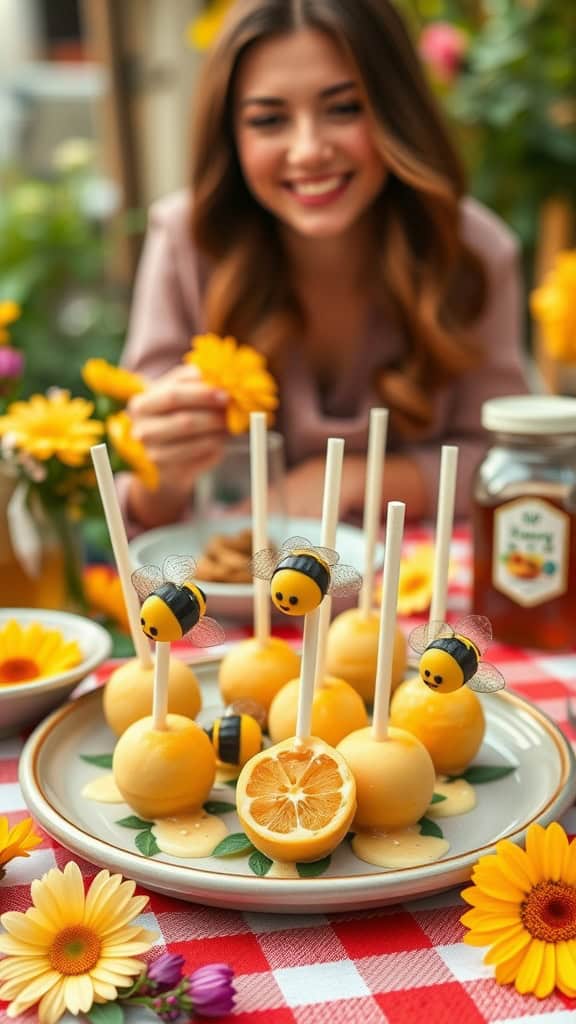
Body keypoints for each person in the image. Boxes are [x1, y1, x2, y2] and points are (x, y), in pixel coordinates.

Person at [121, 0, 526, 534]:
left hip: (409, 599)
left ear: (396, 112)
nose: (309, 150)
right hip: (234, 603)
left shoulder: (472, 251)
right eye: (268, 120)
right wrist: (162, 474)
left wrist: (349, 479)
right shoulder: (186, 240)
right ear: (230, 136)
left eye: (344, 108)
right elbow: (135, 506)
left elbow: (506, 464)